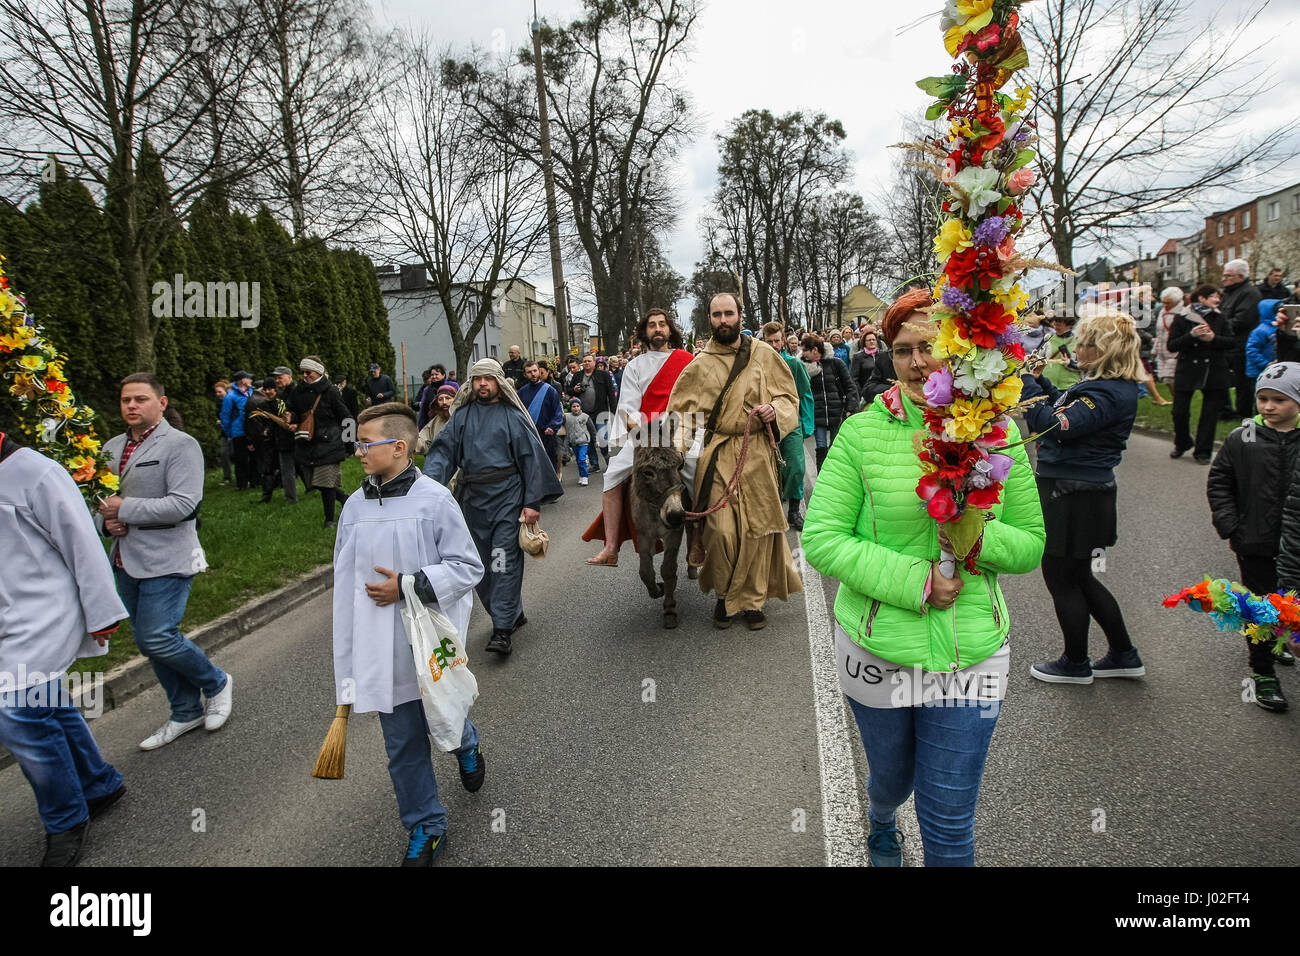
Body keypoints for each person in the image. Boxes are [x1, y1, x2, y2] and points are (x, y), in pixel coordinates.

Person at [801, 288, 1044, 867]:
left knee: (950, 818)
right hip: (878, 647)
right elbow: (822, 538)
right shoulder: (862, 435)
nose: (916, 362)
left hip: (973, 651)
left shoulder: (1000, 432)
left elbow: (1033, 543)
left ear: (955, 349)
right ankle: (881, 817)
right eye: (902, 350)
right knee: (892, 778)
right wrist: (916, 582)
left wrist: (978, 539)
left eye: (929, 347)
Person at [333, 402, 487, 866]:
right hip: (380, 645)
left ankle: (467, 742)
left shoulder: (435, 501)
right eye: (356, 443)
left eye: (366, 443)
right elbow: (342, 577)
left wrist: (408, 584)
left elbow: (467, 567)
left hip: (424, 640)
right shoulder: (355, 507)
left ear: (399, 447)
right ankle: (426, 823)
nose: (358, 451)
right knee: (402, 743)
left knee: (444, 716)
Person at [0, 432, 129, 866]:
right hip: (5, 616)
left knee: (15, 710)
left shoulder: (34, 472)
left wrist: (102, 611)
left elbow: (82, 543)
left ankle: (65, 818)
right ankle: (99, 784)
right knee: (42, 701)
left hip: (43, 609)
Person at [97, 373, 233, 750]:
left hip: (168, 557)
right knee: (147, 641)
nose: (132, 406)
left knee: (158, 635)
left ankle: (216, 682)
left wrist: (126, 509)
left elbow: (184, 504)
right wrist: (107, 524)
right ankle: (185, 711)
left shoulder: (180, 445)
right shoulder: (109, 448)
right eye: (126, 400)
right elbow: (98, 503)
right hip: (125, 559)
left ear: (162, 402)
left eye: (141, 399)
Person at [1020, 310, 1146, 684]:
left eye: (1085, 342)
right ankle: (1123, 653)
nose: (1077, 347)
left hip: (1073, 493)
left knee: (1062, 578)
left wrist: (1026, 384)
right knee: (1081, 577)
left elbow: (1057, 426)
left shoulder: (1106, 391)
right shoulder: (1106, 387)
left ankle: (1075, 663)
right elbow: (1066, 407)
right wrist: (1043, 384)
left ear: (1103, 349)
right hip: (1084, 492)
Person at [666, 292, 802, 630]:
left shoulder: (765, 355)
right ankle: (726, 595)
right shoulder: (698, 364)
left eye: (729, 313)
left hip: (756, 450)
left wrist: (775, 412)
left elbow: (789, 399)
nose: (723, 320)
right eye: (716, 315)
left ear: (740, 315)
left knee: (758, 530)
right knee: (721, 531)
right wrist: (677, 450)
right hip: (718, 453)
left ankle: (752, 602)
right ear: (709, 319)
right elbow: (681, 415)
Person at [422, 359, 563, 655]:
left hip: (508, 498)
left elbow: (530, 460)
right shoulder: (461, 418)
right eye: (477, 379)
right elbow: (443, 453)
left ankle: (501, 629)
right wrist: (427, 490)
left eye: (488, 379)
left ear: (498, 381)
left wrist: (531, 502)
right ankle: (511, 612)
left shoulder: (513, 416)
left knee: (503, 560)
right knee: (481, 565)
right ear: (471, 384)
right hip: (472, 500)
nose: (482, 384)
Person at [1209, 364, 1300, 713]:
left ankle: (1282, 642)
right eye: (1263, 399)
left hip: (1294, 542)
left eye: (1279, 399)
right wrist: (1231, 523)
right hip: (1254, 541)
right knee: (1261, 605)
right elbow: (1220, 481)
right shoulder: (1242, 438)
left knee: (1290, 600)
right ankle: (1262, 671)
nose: (1268, 407)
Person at [584, 308, 693, 566]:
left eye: (662, 324)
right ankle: (611, 549)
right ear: (645, 331)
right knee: (611, 477)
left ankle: (697, 541)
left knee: (696, 474)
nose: (657, 328)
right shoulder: (634, 365)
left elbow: (695, 399)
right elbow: (628, 406)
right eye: (652, 325)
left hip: (680, 432)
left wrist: (681, 430)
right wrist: (642, 433)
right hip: (643, 435)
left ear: (670, 330)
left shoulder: (688, 360)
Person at [1168, 285, 1235, 464]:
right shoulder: (1182, 317)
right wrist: (1191, 335)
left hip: (1214, 370)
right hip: (1187, 369)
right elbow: (1172, 345)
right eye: (1214, 296)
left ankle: (1203, 451)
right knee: (1179, 411)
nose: (1218, 300)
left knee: (1210, 414)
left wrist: (1213, 339)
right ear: (1202, 298)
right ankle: (1182, 443)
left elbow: (1231, 342)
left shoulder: (1220, 317)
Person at [286, 356, 353, 528]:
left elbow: (346, 418)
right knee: (315, 483)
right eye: (303, 372)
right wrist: (291, 418)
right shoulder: (297, 391)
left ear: (318, 371)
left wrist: (349, 443)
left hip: (329, 443)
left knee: (326, 481)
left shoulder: (331, 391)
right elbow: (293, 410)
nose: (305, 376)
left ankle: (329, 520)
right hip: (306, 443)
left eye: (308, 372)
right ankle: (343, 498)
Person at [762, 322, 814, 529]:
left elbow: (805, 394)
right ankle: (771, 512)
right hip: (766, 424)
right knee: (768, 471)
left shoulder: (794, 364)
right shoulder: (758, 365)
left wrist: (807, 423)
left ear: (783, 340)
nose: (774, 345)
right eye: (769, 341)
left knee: (795, 467)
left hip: (792, 422)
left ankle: (794, 511)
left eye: (777, 340)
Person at [801, 333, 858, 472]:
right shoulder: (804, 367)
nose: (802, 353)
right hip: (817, 413)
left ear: (814, 350)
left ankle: (835, 474)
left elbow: (849, 386)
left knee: (835, 446)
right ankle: (821, 475)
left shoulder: (835, 363)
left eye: (805, 350)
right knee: (821, 447)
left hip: (836, 411)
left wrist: (850, 407)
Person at [1220, 259, 1262, 420]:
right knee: (1222, 381)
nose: (1224, 279)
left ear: (1240, 276)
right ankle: (1225, 411)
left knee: (1242, 383)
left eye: (1228, 276)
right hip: (1227, 345)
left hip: (1241, 345)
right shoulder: (1228, 293)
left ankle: (1242, 413)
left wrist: (1220, 327)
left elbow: (1242, 320)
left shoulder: (1250, 293)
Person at [566, 353, 617, 472]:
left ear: (594, 362)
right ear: (582, 364)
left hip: (600, 411)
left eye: (589, 361)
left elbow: (611, 393)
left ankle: (606, 456)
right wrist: (574, 390)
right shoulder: (578, 376)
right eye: (585, 361)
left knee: (602, 437)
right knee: (587, 439)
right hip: (583, 414)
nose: (587, 363)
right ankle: (594, 464)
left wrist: (613, 411)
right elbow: (568, 390)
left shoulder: (604, 375)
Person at [518, 359, 564, 477]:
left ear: (539, 371)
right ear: (525, 374)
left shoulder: (550, 390)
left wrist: (553, 427)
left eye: (535, 371)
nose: (533, 374)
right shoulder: (522, 393)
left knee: (549, 464)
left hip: (547, 434)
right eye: (529, 372)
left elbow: (558, 412)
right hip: (530, 435)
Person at [220, 371, 254, 490]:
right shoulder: (230, 396)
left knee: (253, 457)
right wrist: (229, 433)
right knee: (241, 459)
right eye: (249, 378)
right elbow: (225, 416)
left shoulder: (251, 392)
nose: (251, 380)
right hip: (238, 431)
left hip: (252, 430)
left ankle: (254, 481)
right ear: (242, 380)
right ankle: (242, 484)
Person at [1245, 298, 1284, 394]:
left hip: (1273, 370)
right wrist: (1265, 363)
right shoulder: (1260, 331)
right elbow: (1251, 350)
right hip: (1258, 372)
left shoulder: (1277, 327)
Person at [1153, 287, 1185, 390]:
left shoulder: (1183, 313)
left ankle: (1178, 402)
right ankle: (1177, 402)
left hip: (1174, 353)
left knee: (1171, 378)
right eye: (1164, 302)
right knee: (1165, 379)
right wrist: (1154, 350)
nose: (1165, 305)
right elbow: (1159, 333)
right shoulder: (1162, 312)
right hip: (1162, 352)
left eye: (1168, 303)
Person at [415, 383, 457, 455]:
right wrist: (410, 443)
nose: (444, 402)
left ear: (455, 399)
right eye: (440, 399)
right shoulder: (436, 420)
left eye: (448, 398)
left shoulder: (464, 418)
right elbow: (424, 441)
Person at [1043, 315, 1080, 390]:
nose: (1055, 326)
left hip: (1068, 385)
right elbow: (1039, 359)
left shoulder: (1077, 341)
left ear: (1069, 326)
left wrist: (1070, 363)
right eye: (1055, 323)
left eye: (1059, 324)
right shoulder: (1048, 338)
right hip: (1047, 384)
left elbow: (1085, 366)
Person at [564, 398, 593, 486]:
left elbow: (592, 429)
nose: (576, 408)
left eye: (577, 406)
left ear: (580, 407)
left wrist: (596, 441)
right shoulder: (566, 417)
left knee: (581, 459)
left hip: (583, 442)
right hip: (573, 442)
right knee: (578, 460)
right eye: (573, 406)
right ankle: (581, 476)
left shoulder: (585, 416)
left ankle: (585, 477)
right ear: (571, 408)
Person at [212, 380, 232, 484]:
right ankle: (227, 477)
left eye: (220, 392)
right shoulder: (219, 403)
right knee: (224, 453)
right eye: (216, 392)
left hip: (234, 432)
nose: (218, 394)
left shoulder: (232, 401)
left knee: (238, 455)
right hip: (224, 432)